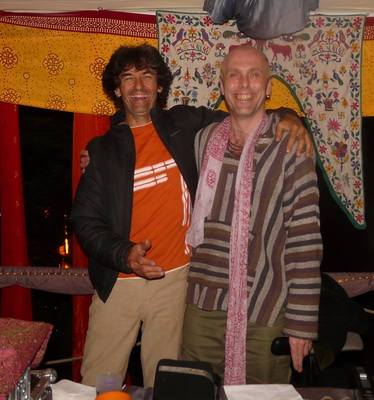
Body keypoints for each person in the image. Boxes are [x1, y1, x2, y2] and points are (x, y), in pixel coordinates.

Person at [70, 43, 311, 388]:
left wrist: (289, 116)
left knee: (168, 384)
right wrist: (124, 254)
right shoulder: (101, 150)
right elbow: (84, 220)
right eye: (127, 78)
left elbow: (247, 111)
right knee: (98, 384)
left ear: (160, 86)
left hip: (176, 283)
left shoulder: (184, 125)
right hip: (119, 282)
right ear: (116, 89)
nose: (138, 86)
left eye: (147, 76)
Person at [181, 45, 322, 385]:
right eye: (234, 75)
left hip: (264, 307)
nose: (244, 84)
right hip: (202, 304)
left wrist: (302, 323)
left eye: (254, 75)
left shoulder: (292, 146)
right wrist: (99, 153)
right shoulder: (203, 141)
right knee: (194, 391)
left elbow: (305, 239)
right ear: (222, 85)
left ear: (269, 87)